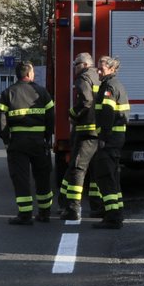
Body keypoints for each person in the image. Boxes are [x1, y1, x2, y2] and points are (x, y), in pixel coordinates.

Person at [0, 61, 54, 226]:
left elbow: (2, 121)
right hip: (39, 142)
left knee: (21, 178)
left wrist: (7, 140)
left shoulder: (8, 93)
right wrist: (47, 137)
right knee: (42, 176)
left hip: (17, 143)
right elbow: (51, 118)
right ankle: (44, 213)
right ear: (29, 74)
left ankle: (25, 215)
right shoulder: (42, 93)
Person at [58, 52, 98, 226]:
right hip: (98, 131)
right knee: (96, 170)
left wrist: (72, 114)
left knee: (77, 168)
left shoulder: (83, 78)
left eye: (75, 64)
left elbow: (86, 101)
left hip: (85, 131)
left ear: (83, 65)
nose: (74, 68)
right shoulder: (98, 77)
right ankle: (97, 206)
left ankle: (73, 209)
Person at [89, 54, 130, 228]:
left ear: (112, 69)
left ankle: (113, 218)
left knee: (105, 176)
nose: (98, 71)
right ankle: (115, 212)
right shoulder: (113, 84)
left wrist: (102, 138)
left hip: (109, 138)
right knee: (112, 176)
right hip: (115, 138)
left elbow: (107, 115)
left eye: (101, 68)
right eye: (97, 67)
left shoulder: (109, 87)